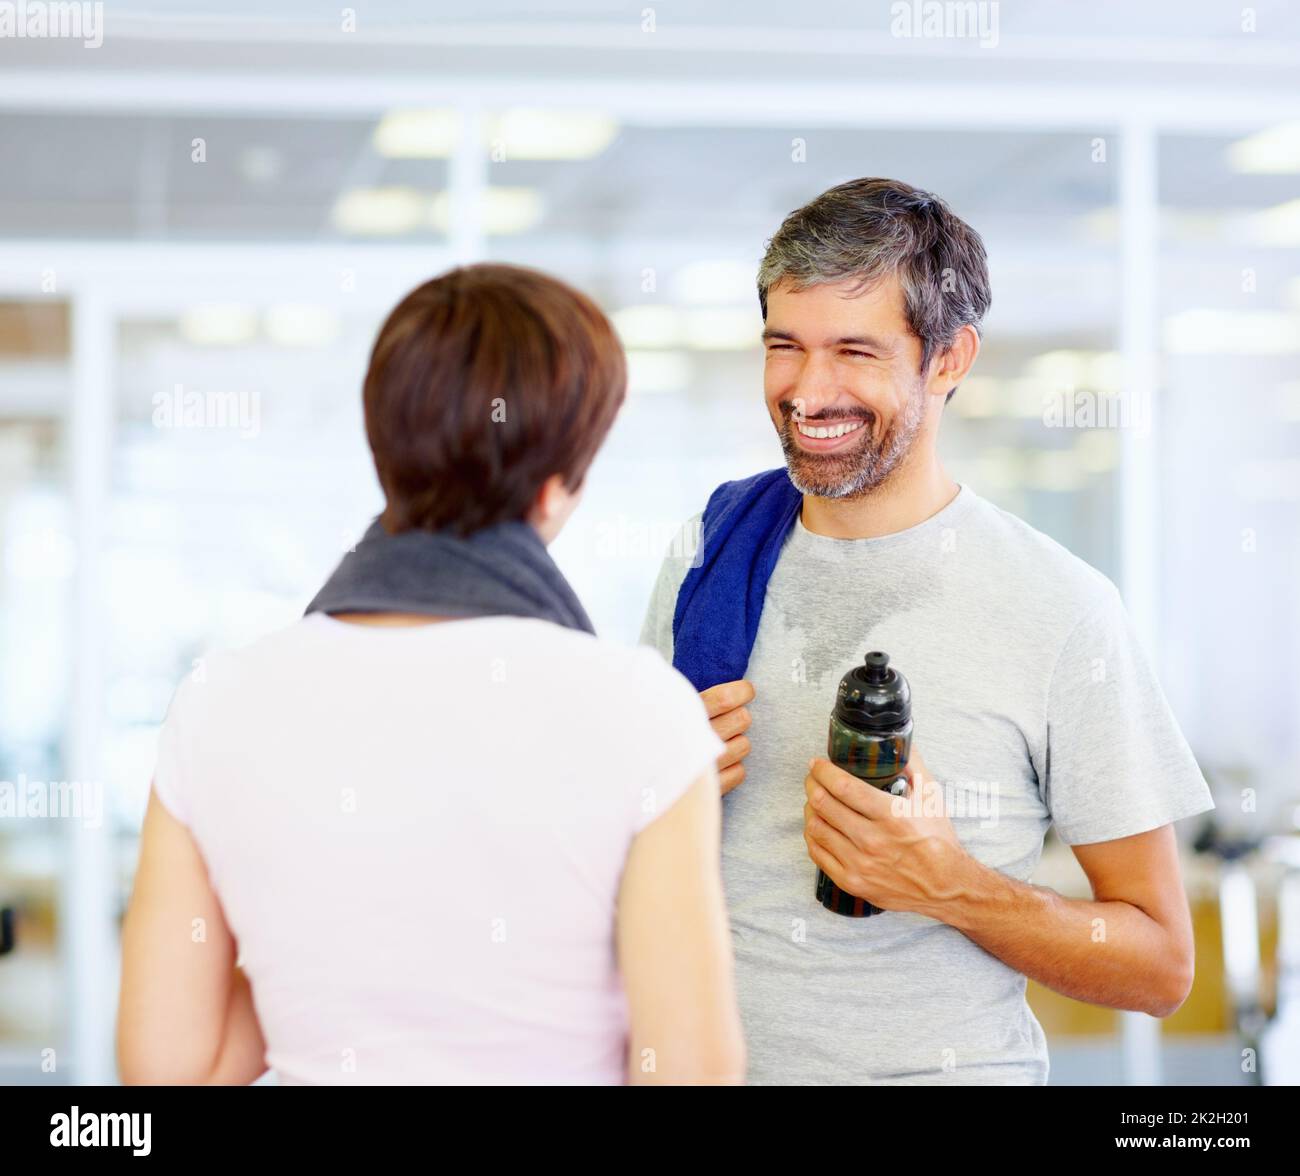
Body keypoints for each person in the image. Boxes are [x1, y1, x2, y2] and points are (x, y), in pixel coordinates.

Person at [640, 177, 1215, 1085]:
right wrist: (648, 793)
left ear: (949, 359)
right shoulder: (707, 561)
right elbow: (623, 843)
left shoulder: (1061, 609)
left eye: (854, 351)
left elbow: (1158, 965)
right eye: (784, 345)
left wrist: (948, 886)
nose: (807, 390)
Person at [118, 263, 744, 1086]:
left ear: (385, 449)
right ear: (559, 484)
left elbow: (172, 1073)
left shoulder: (217, 703)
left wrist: (301, 914)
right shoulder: (643, 716)